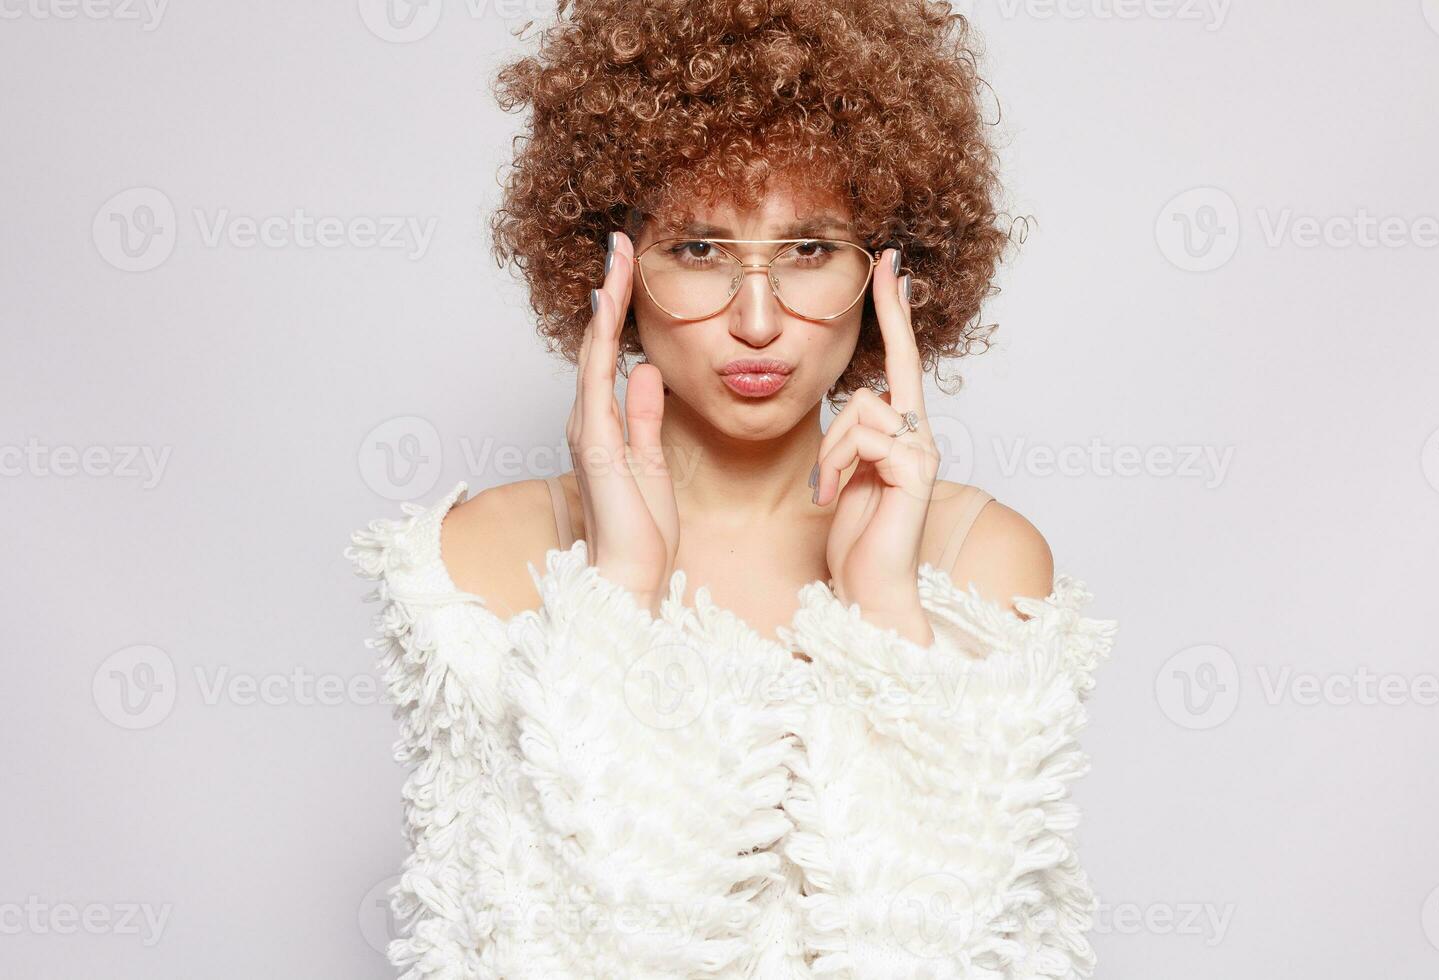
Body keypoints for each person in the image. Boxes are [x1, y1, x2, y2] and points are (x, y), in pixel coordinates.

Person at [347, 1, 1117, 976]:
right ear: (611, 267)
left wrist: (887, 613)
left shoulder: (978, 566)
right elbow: (535, 948)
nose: (758, 319)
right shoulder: (478, 567)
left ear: (887, 272)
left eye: (809, 249)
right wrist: (620, 593)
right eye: (700, 248)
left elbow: (959, 951)